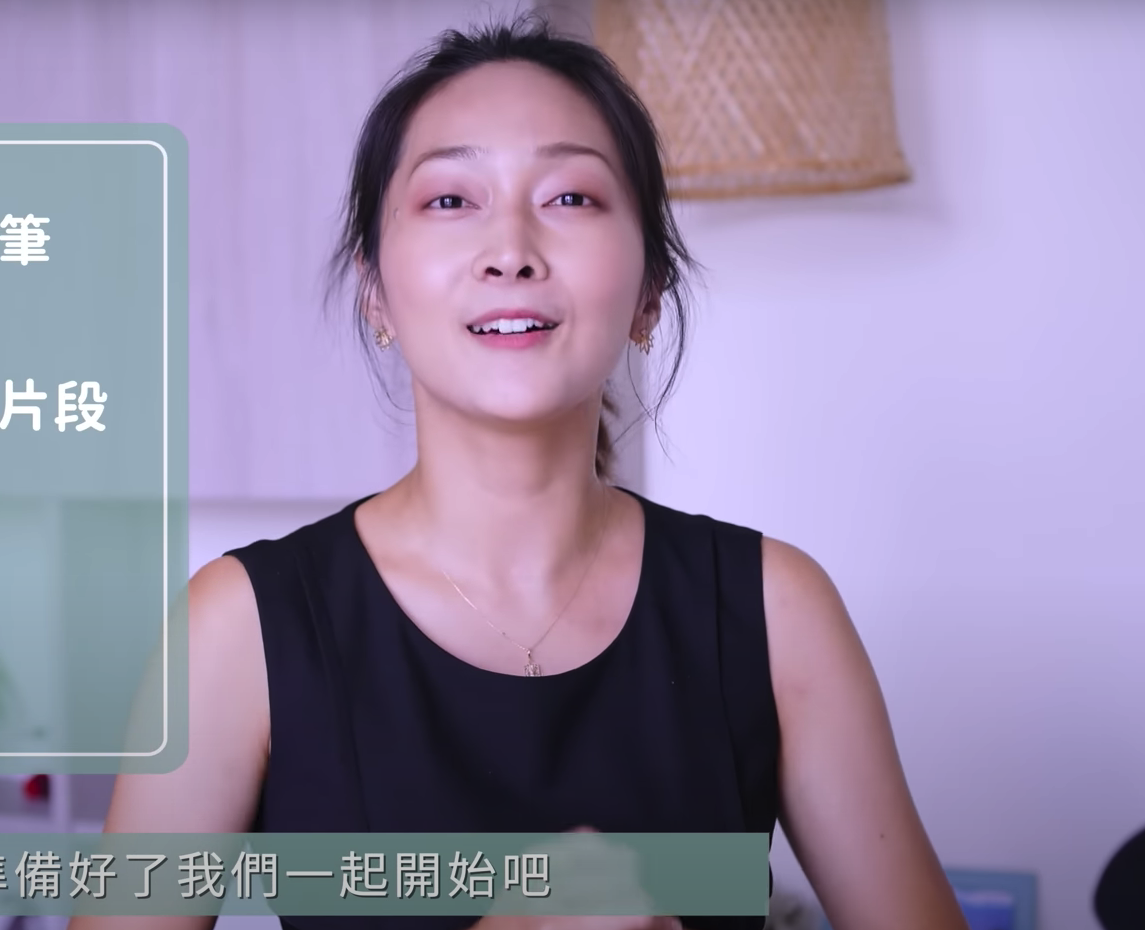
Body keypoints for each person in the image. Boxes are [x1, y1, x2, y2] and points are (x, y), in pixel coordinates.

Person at [72, 13, 967, 930]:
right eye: (449, 200)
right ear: (376, 291)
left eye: (570, 197)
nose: (510, 251)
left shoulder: (776, 611)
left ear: (648, 293)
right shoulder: (237, 629)